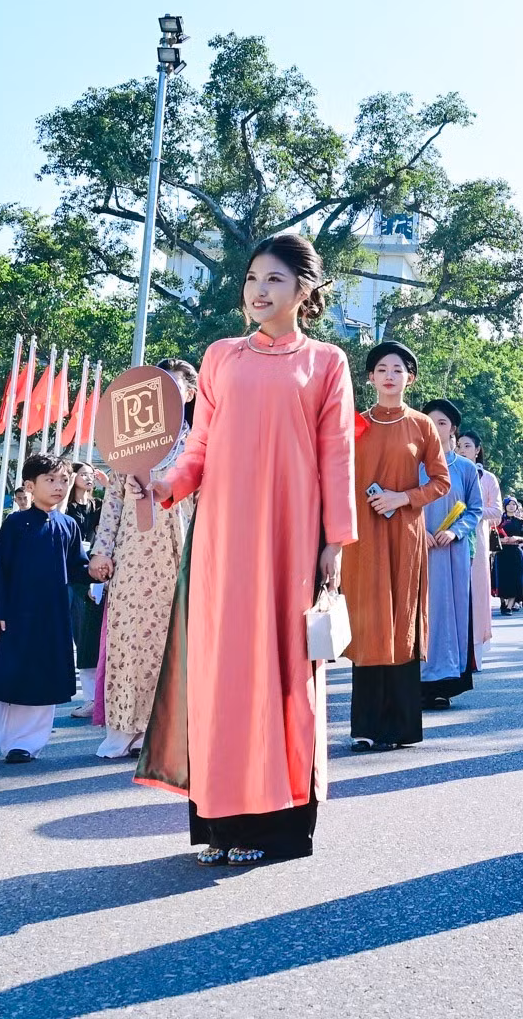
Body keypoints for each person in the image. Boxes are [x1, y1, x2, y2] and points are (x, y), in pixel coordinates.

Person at [138, 233, 357, 866]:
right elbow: (199, 447)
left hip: (292, 537)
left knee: (282, 669)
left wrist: (335, 542)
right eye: (253, 278)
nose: (259, 290)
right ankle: (217, 822)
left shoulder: (326, 363)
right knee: (223, 673)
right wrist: (166, 482)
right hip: (222, 540)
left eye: (276, 280)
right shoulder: (220, 357)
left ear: (305, 291)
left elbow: (336, 455)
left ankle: (277, 826)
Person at [87, 358, 197, 758]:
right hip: (135, 551)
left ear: (189, 394)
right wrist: (102, 550)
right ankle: (126, 725)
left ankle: (171, 728)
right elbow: (112, 501)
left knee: (180, 636)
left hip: (185, 546)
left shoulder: (199, 443)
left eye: (175, 385)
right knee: (131, 634)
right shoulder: (128, 440)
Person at [342, 342, 448, 751]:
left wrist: (402, 498)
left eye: (398, 368)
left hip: (404, 534)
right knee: (367, 622)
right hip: (361, 536)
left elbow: (441, 481)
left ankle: (401, 727)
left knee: (401, 623)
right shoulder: (353, 424)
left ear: (410, 377)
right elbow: (333, 474)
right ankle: (365, 727)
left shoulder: (422, 425)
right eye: (381, 368)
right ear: (370, 378)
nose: (389, 375)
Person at [0, 454, 85, 768]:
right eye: (50, 480)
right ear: (30, 485)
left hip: (53, 617)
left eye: (64, 480)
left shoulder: (69, 525)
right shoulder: (15, 524)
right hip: (14, 615)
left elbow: (78, 567)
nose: (59, 486)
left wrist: (100, 568)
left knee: (43, 679)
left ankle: (24, 744)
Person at [421, 398, 483, 703]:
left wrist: (454, 531)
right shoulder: (411, 463)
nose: (435, 427)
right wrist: (418, 531)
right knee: (421, 613)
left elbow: (475, 509)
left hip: (451, 552)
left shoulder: (466, 469)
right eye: (430, 421)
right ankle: (415, 680)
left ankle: (444, 685)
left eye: (442, 422)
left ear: (452, 429)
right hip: (418, 551)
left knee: (449, 613)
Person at [456, 431, 502, 656]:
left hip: (479, 543)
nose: (462, 450)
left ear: (477, 450)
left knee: (477, 591)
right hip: (453, 538)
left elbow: (497, 512)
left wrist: (472, 511)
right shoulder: (448, 474)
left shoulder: (488, 478)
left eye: (467, 446)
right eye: (459, 446)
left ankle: (476, 648)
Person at [65, 464, 104, 721]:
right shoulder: (66, 508)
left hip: (98, 573)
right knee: (83, 639)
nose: (89, 477)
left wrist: (109, 485)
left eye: (92, 474)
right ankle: (90, 698)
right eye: (83, 474)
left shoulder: (98, 506)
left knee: (96, 638)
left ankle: (100, 697)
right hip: (74, 577)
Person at [495, 499, 523, 615]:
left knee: (515, 579)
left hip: (515, 552)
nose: (511, 506)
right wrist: (501, 540)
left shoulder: (521, 522)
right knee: (502, 578)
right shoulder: (498, 520)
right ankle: (503, 602)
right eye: (508, 504)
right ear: (504, 506)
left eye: (513, 504)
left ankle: (510, 606)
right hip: (501, 552)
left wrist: (517, 538)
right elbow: (491, 536)